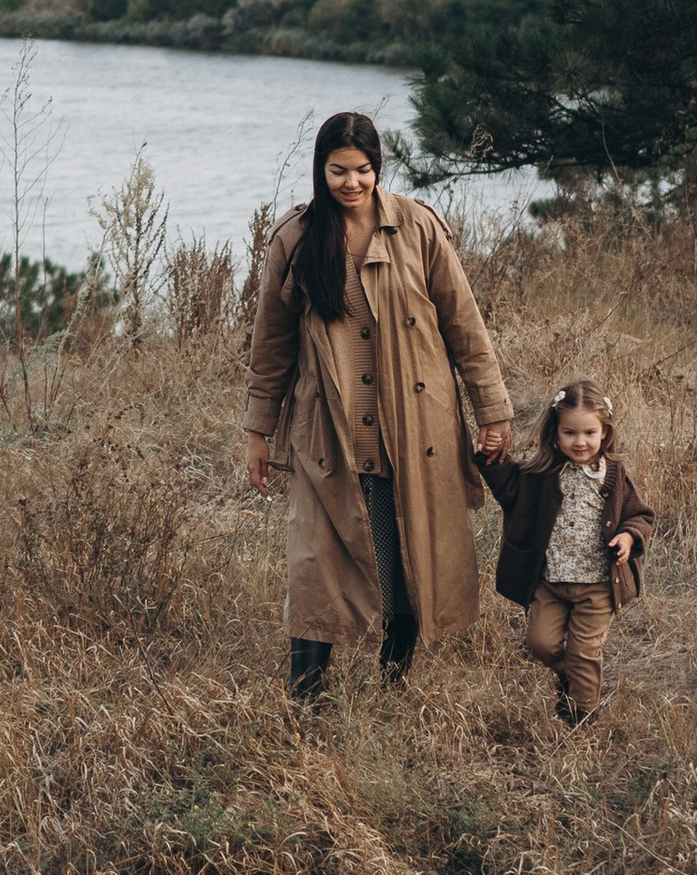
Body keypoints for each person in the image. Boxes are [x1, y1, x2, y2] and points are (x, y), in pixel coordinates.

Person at [245, 112, 514, 702]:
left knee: (407, 565)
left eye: (362, 170)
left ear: (377, 168)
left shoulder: (417, 228)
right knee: (314, 564)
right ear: (320, 169)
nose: (351, 183)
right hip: (327, 435)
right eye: (338, 170)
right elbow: (271, 346)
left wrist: (492, 408)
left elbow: (464, 324)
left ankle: (390, 693)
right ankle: (306, 700)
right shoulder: (295, 238)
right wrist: (259, 430)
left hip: (413, 427)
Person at [481, 379, 657, 726]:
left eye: (590, 433)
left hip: (597, 586)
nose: (580, 442)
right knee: (540, 645)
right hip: (550, 583)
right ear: (555, 434)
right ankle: (572, 678)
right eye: (570, 433)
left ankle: (581, 717)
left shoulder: (614, 475)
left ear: (604, 433)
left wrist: (627, 537)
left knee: (584, 652)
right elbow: (507, 486)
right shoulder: (541, 474)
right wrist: (490, 454)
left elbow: (641, 515)